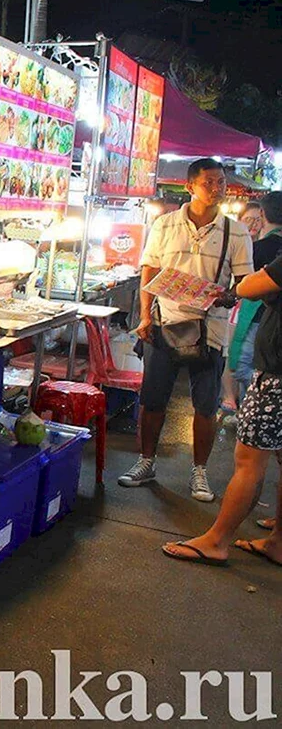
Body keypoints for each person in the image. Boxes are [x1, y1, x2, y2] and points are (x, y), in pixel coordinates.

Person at [119, 158, 253, 502]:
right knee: (153, 398)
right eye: (209, 182)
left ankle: (199, 473)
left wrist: (227, 295)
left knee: (205, 405)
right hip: (165, 322)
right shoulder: (165, 224)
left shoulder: (235, 232)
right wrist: (146, 317)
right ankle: (146, 462)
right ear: (190, 186)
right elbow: (149, 271)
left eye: (221, 182)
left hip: (210, 329)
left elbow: (243, 283)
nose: (217, 188)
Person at [161, 249, 282, 566]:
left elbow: (249, 286)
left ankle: (216, 541)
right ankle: (279, 541)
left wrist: (257, 278)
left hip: (277, 377)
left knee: (249, 461)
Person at [222, 194, 282, 414]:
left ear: (264, 216)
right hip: (263, 322)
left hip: (261, 321)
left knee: (243, 365)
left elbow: (246, 287)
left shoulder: (264, 247)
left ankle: (251, 410)